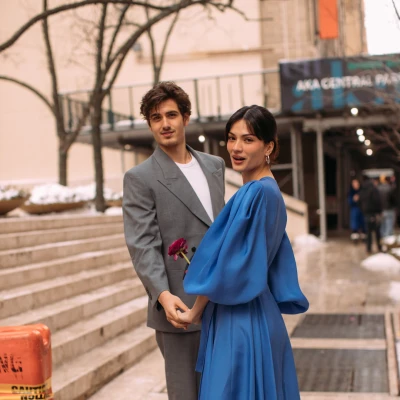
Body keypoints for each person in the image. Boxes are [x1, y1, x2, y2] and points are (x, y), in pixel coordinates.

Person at [179, 105, 309, 399]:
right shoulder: (270, 192)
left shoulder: (255, 193)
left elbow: (227, 262)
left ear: (268, 147)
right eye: (232, 138)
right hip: (257, 314)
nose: (236, 148)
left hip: (240, 321)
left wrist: (195, 311)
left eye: (248, 139)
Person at [122, 81, 226, 400]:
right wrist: (163, 295)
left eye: (171, 115)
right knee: (187, 394)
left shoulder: (214, 166)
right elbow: (142, 245)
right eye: (156, 118)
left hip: (222, 303)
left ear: (186, 118)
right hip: (179, 307)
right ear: (150, 125)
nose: (164, 124)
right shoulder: (140, 178)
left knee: (225, 390)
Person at [359, 175, 382, 253]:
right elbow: (377, 201)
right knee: (377, 231)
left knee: (368, 232)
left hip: (366, 213)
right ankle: (379, 247)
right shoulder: (374, 190)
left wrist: (363, 210)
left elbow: (359, 201)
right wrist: (379, 211)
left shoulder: (363, 190)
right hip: (374, 213)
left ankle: (368, 248)